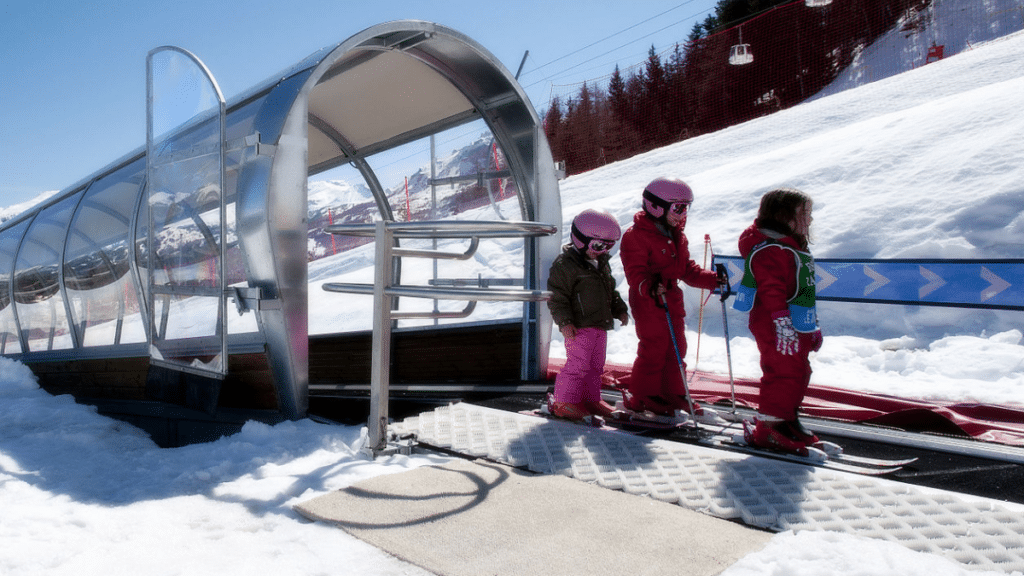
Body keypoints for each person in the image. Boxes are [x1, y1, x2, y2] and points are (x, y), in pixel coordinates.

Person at [619, 177, 728, 420]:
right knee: (654, 347)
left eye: (686, 208)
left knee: (677, 347)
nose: (682, 214)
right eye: (678, 208)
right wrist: (649, 285)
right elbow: (635, 273)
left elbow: (685, 269)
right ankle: (642, 395)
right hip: (649, 300)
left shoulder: (677, 235)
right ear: (656, 206)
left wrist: (712, 279)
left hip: (672, 298)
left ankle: (673, 392)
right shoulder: (636, 236)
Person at [734, 187, 823, 455]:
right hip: (775, 322)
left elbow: (803, 290)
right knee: (782, 373)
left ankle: (787, 417)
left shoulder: (791, 245)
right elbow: (771, 287)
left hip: (795, 322)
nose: (810, 220)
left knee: (799, 371)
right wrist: (781, 320)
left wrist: (812, 326)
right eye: (804, 214)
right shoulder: (770, 249)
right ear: (784, 217)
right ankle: (769, 427)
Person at [546, 209, 630, 420]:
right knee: (577, 365)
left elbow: (610, 289)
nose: (602, 251)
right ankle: (564, 401)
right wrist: (564, 322)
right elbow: (557, 297)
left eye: (608, 246)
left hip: (599, 323)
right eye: (598, 246)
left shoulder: (601, 263)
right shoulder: (565, 265)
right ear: (580, 240)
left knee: (596, 365)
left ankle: (590, 399)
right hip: (579, 326)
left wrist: (619, 309)